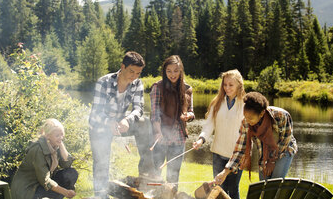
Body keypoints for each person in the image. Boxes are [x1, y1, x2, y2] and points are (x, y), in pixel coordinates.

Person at [89, 51, 154, 199]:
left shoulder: (137, 83)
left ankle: (146, 174)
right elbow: (96, 113)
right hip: (100, 126)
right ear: (122, 67)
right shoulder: (103, 82)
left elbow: (139, 109)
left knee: (144, 122)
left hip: (120, 123)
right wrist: (108, 122)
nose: (134, 76)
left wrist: (128, 120)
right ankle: (101, 196)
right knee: (101, 163)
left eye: (138, 73)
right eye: (131, 71)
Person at [214, 91, 298, 186]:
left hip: (284, 150)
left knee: (275, 185)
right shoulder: (246, 122)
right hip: (264, 152)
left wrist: (272, 161)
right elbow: (240, 149)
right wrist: (225, 172)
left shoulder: (281, 115)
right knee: (264, 186)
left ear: (261, 113)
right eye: (245, 116)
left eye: (250, 118)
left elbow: (285, 141)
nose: (247, 121)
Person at [193, 69, 245, 199]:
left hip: (236, 156)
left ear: (239, 84)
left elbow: (248, 133)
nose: (227, 88)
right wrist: (201, 139)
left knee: (233, 191)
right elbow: (209, 124)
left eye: (231, 85)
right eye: (225, 84)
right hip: (218, 153)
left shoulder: (245, 104)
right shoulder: (217, 102)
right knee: (218, 190)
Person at [150, 55, 194, 192]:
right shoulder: (158, 87)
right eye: (169, 71)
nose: (172, 74)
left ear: (181, 70)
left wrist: (189, 116)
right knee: (156, 174)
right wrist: (158, 132)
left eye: (175, 70)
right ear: (164, 71)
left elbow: (192, 112)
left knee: (174, 176)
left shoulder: (187, 88)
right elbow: (155, 113)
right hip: (161, 136)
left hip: (179, 138)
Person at [11, 118, 78, 199]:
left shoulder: (54, 145)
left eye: (62, 134)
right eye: (57, 135)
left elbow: (66, 165)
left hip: (41, 185)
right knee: (55, 189)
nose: (61, 137)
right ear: (48, 136)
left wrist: (61, 145)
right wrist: (65, 192)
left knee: (71, 173)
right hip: (28, 189)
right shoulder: (37, 149)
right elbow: (45, 180)